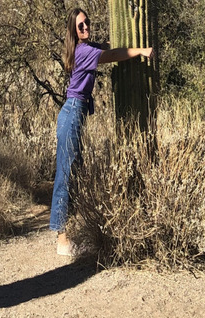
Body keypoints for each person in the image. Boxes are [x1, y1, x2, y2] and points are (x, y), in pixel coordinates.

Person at [51, 7, 154, 256]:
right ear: (73, 31)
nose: (86, 28)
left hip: (76, 113)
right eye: (80, 26)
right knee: (66, 173)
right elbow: (111, 55)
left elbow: (106, 46)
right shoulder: (84, 52)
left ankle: (68, 234)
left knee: (74, 171)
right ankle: (61, 239)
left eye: (87, 23)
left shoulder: (84, 47)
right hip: (73, 113)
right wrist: (139, 50)